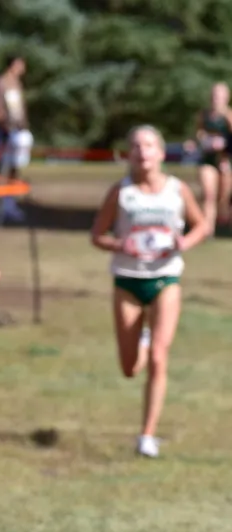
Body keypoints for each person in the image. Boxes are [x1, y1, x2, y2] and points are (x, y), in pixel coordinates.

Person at [91, 125, 208, 458]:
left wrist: (185, 241)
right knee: (130, 369)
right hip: (128, 280)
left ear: (160, 152)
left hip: (165, 279)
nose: (143, 152)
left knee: (159, 357)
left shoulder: (177, 190)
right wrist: (119, 243)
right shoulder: (121, 192)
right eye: (136, 146)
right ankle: (140, 340)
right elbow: (97, 235)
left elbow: (202, 225)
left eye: (149, 145)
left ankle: (147, 435)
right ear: (129, 153)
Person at [0, 56, 29, 223]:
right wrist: (3, 124)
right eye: (20, 65)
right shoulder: (0, 82)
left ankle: (10, 203)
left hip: (17, 131)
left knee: (15, 167)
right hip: (4, 131)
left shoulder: (18, 84)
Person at [194, 82, 232, 234]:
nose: (216, 98)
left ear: (226, 97)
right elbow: (198, 133)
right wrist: (204, 140)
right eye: (214, 95)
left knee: (224, 197)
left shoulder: (229, 115)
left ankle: (223, 224)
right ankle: (207, 230)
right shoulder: (204, 115)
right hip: (208, 159)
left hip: (226, 160)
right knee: (208, 194)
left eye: (220, 95)